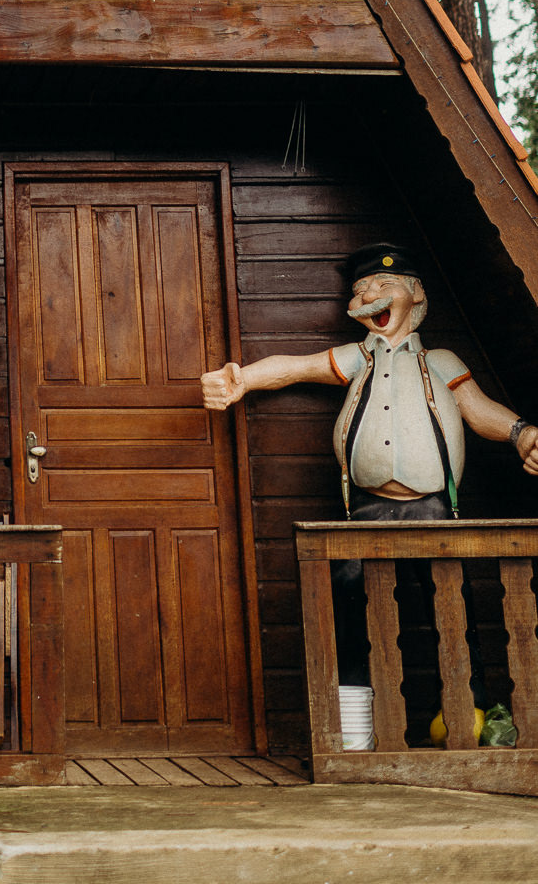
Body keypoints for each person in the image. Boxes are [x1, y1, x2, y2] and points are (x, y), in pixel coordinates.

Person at [201, 242, 538, 694]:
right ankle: (353, 709)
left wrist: (522, 433)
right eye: (360, 290)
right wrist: (242, 379)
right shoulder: (358, 357)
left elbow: (479, 411)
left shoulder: (440, 362)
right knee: (348, 599)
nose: (370, 296)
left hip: (432, 508)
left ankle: (469, 705)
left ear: (416, 293)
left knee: (449, 602)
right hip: (365, 507)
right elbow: (296, 368)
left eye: (385, 284)